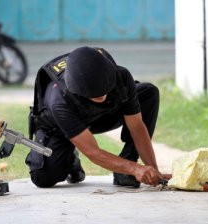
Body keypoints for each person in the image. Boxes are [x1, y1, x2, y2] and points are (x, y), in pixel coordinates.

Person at [26, 46, 171, 188]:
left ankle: (126, 165)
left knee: (148, 93)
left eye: (104, 90)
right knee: (43, 177)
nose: (101, 96)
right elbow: (93, 152)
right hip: (59, 128)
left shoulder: (121, 75)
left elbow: (137, 128)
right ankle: (70, 160)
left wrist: (152, 168)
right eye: (95, 95)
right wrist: (135, 168)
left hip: (101, 116)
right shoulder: (59, 100)